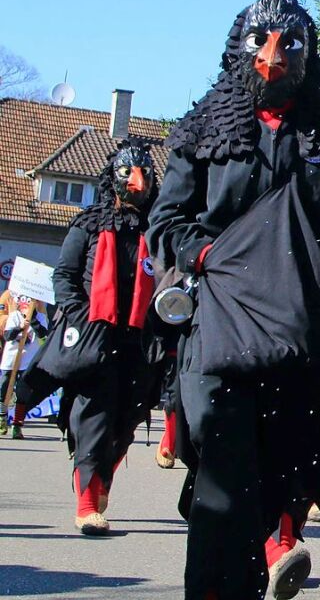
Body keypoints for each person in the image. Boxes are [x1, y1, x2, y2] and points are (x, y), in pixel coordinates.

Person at [147, 0, 320, 600]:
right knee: (224, 495)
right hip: (223, 335)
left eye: (289, 43)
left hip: (304, 345)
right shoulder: (203, 127)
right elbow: (167, 222)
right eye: (261, 41)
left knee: (278, 485)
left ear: (307, 52)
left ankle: (268, 548)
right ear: (239, 45)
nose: (273, 57)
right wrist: (214, 259)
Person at [22, 139, 161, 536]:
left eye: (146, 175)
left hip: (140, 341)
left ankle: (100, 480)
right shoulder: (89, 223)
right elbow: (64, 276)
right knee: (95, 418)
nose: (139, 182)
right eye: (130, 175)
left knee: (127, 422)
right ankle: (87, 500)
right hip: (94, 338)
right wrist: (82, 316)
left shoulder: (159, 227)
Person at [0, 293, 48, 439]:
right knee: (4, 387)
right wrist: (20, 328)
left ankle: (17, 425)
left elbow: (43, 336)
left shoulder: (40, 317)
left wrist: (32, 320)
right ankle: (2, 418)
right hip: (11, 359)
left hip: (28, 361)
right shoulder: (14, 316)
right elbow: (8, 336)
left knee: (23, 392)